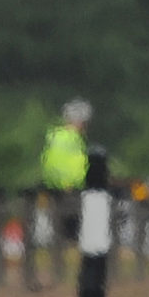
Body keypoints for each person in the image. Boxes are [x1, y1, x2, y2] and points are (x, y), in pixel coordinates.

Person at [39, 99, 91, 246]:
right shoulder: (71, 139)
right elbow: (66, 165)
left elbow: (49, 164)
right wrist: (68, 183)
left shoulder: (55, 136)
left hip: (54, 186)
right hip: (70, 188)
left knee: (58, 225)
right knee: (72, 225)